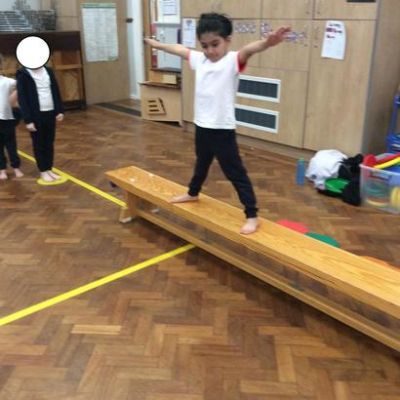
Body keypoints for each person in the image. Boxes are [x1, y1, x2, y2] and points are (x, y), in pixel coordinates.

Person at [145, 13, 290, 234]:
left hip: (222, 130)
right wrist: (157, 45)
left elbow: (249, 50)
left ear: (227, 40)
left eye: (215, 44)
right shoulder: (200, 60)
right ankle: (192, 193)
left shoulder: (233, 61)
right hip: (202, 126)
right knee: (201, 164)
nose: (210, 51)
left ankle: (252, 215)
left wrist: (267, 43)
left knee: (235, 173)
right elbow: (179, 49)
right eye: (205, 46)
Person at [16, 65, 64, 182]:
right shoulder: (23, 74)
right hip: (35, 115)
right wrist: (28, 120)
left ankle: (49, 169)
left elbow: (55, 90)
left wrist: (59, 110)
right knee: (39, 143)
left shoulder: (48, 71)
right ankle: (43, 170)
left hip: (50, 112)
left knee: (49, 142)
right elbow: (22, 98)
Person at [0, 62, 23, 180]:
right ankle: (2, 169)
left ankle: (16, 167)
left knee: (11, 145)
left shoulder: (8, 81)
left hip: (7, 119)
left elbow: (21, 84)